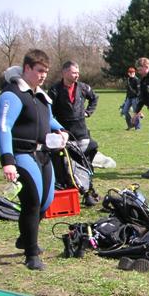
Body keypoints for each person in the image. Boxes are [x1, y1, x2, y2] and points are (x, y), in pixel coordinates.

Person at [0, 49, 68, 270]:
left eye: (46, 71)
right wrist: (7, 160)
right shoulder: (13, 94)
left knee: (46, 201)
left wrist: (62, 130)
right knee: (32, 202)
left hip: (43, 154)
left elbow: (49, 119)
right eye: (39, 70)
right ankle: (31, 253)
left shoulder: (40, 95)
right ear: (27, 68)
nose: (43, 75)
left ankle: (25, 237)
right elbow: (3, 127)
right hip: (22, 154)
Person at [48, 60, 100, 205]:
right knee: (64, 165)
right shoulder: (54, 90)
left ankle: (89, 192)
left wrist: (88, 112)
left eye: (78, 72)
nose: (77, 75)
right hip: (64, 133)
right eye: (74, 72)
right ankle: (67, 192)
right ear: (64, 72)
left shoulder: (83, 87)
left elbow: (94, 98)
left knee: (84, 163)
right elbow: (48, 111)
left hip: (81, 133)